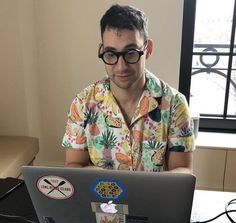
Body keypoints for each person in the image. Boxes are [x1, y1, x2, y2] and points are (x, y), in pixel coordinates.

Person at [62, 4, 195, 173]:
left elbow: (182, 170)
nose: (120, 67)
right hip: (100, 198)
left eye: (131, 52)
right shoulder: (82, 104)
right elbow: (74, 165)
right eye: (111, 54)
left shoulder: (175, 104)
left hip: (154, 199)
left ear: (147, 50)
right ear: (101, 50)